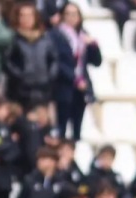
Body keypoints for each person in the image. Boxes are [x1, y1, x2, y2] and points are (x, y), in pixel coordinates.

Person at [51, 1, 102, 141]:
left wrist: (93, 45)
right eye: (67, 14)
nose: (71, 17)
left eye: (74, 14)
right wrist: (75, 78)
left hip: (81, 89)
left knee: (77, 128)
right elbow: (58, 62)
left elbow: (97, 62)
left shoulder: (83, 35)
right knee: (61, 127)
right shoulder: (56, 36)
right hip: (63, 86)